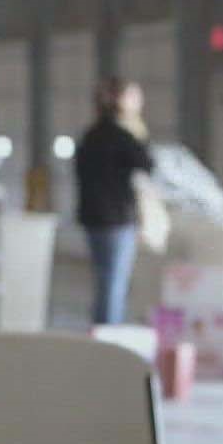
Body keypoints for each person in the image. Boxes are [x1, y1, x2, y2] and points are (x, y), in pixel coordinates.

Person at [74, 77, 154, 325]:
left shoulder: (89, 137)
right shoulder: (122, 136)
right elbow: (148, 163)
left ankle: (100, 329)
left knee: (104, 280)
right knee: (114, 283)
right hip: (116, 220)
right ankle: (109, 333)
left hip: (92, 218)